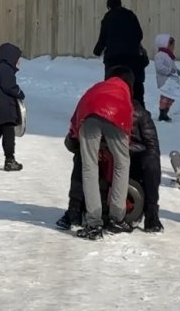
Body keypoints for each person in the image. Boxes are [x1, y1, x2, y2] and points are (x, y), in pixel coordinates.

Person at [58, 95, 164, 233]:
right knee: (81, 157)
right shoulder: (94, 108)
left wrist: (123, 149)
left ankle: (151, 214)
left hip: (130, 163)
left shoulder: (139, 112)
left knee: (151, 162)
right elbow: (71, 143)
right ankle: (74, 210)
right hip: (101, 161)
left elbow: (152, 146)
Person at [66, 65, 135, 240]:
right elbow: (128, 119)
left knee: (89, 167)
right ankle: (117, 218)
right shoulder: (125, 91)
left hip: (89, 114)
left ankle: (94, 223)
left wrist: (75, 134)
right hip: (117, 115)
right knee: (122, 164)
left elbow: (78, 111)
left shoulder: (97, 87)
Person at [93, 0, 146, 104]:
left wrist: (97, 51)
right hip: (132, 57)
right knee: (136, 84)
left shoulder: (108, 17)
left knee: (111, 84)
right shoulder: (130, 15)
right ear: (120, 4)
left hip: (113, 58)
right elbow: (139, 34)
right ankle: (140, 107)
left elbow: (103, 38)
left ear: (108, 6)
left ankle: (112, 105)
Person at [0, 42, 26, 172]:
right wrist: (19, 93)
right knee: (9, 136)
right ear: (11, 58)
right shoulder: (7, 70)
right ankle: (10, 160)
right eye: (17, 60)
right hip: (6, 112)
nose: (18, 63)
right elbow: (9, 87)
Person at [153, 33, 180, 122]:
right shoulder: (160, 55)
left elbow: (172, 66)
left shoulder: (169, 55)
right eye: (171, 44)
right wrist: (169, 70)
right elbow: (159, 67)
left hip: (170, 80)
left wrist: (177, 70)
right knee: (165, 97)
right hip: (164, 80)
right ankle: (162, 113)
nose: (173, 47)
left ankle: (166, 111)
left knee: (171, 97)